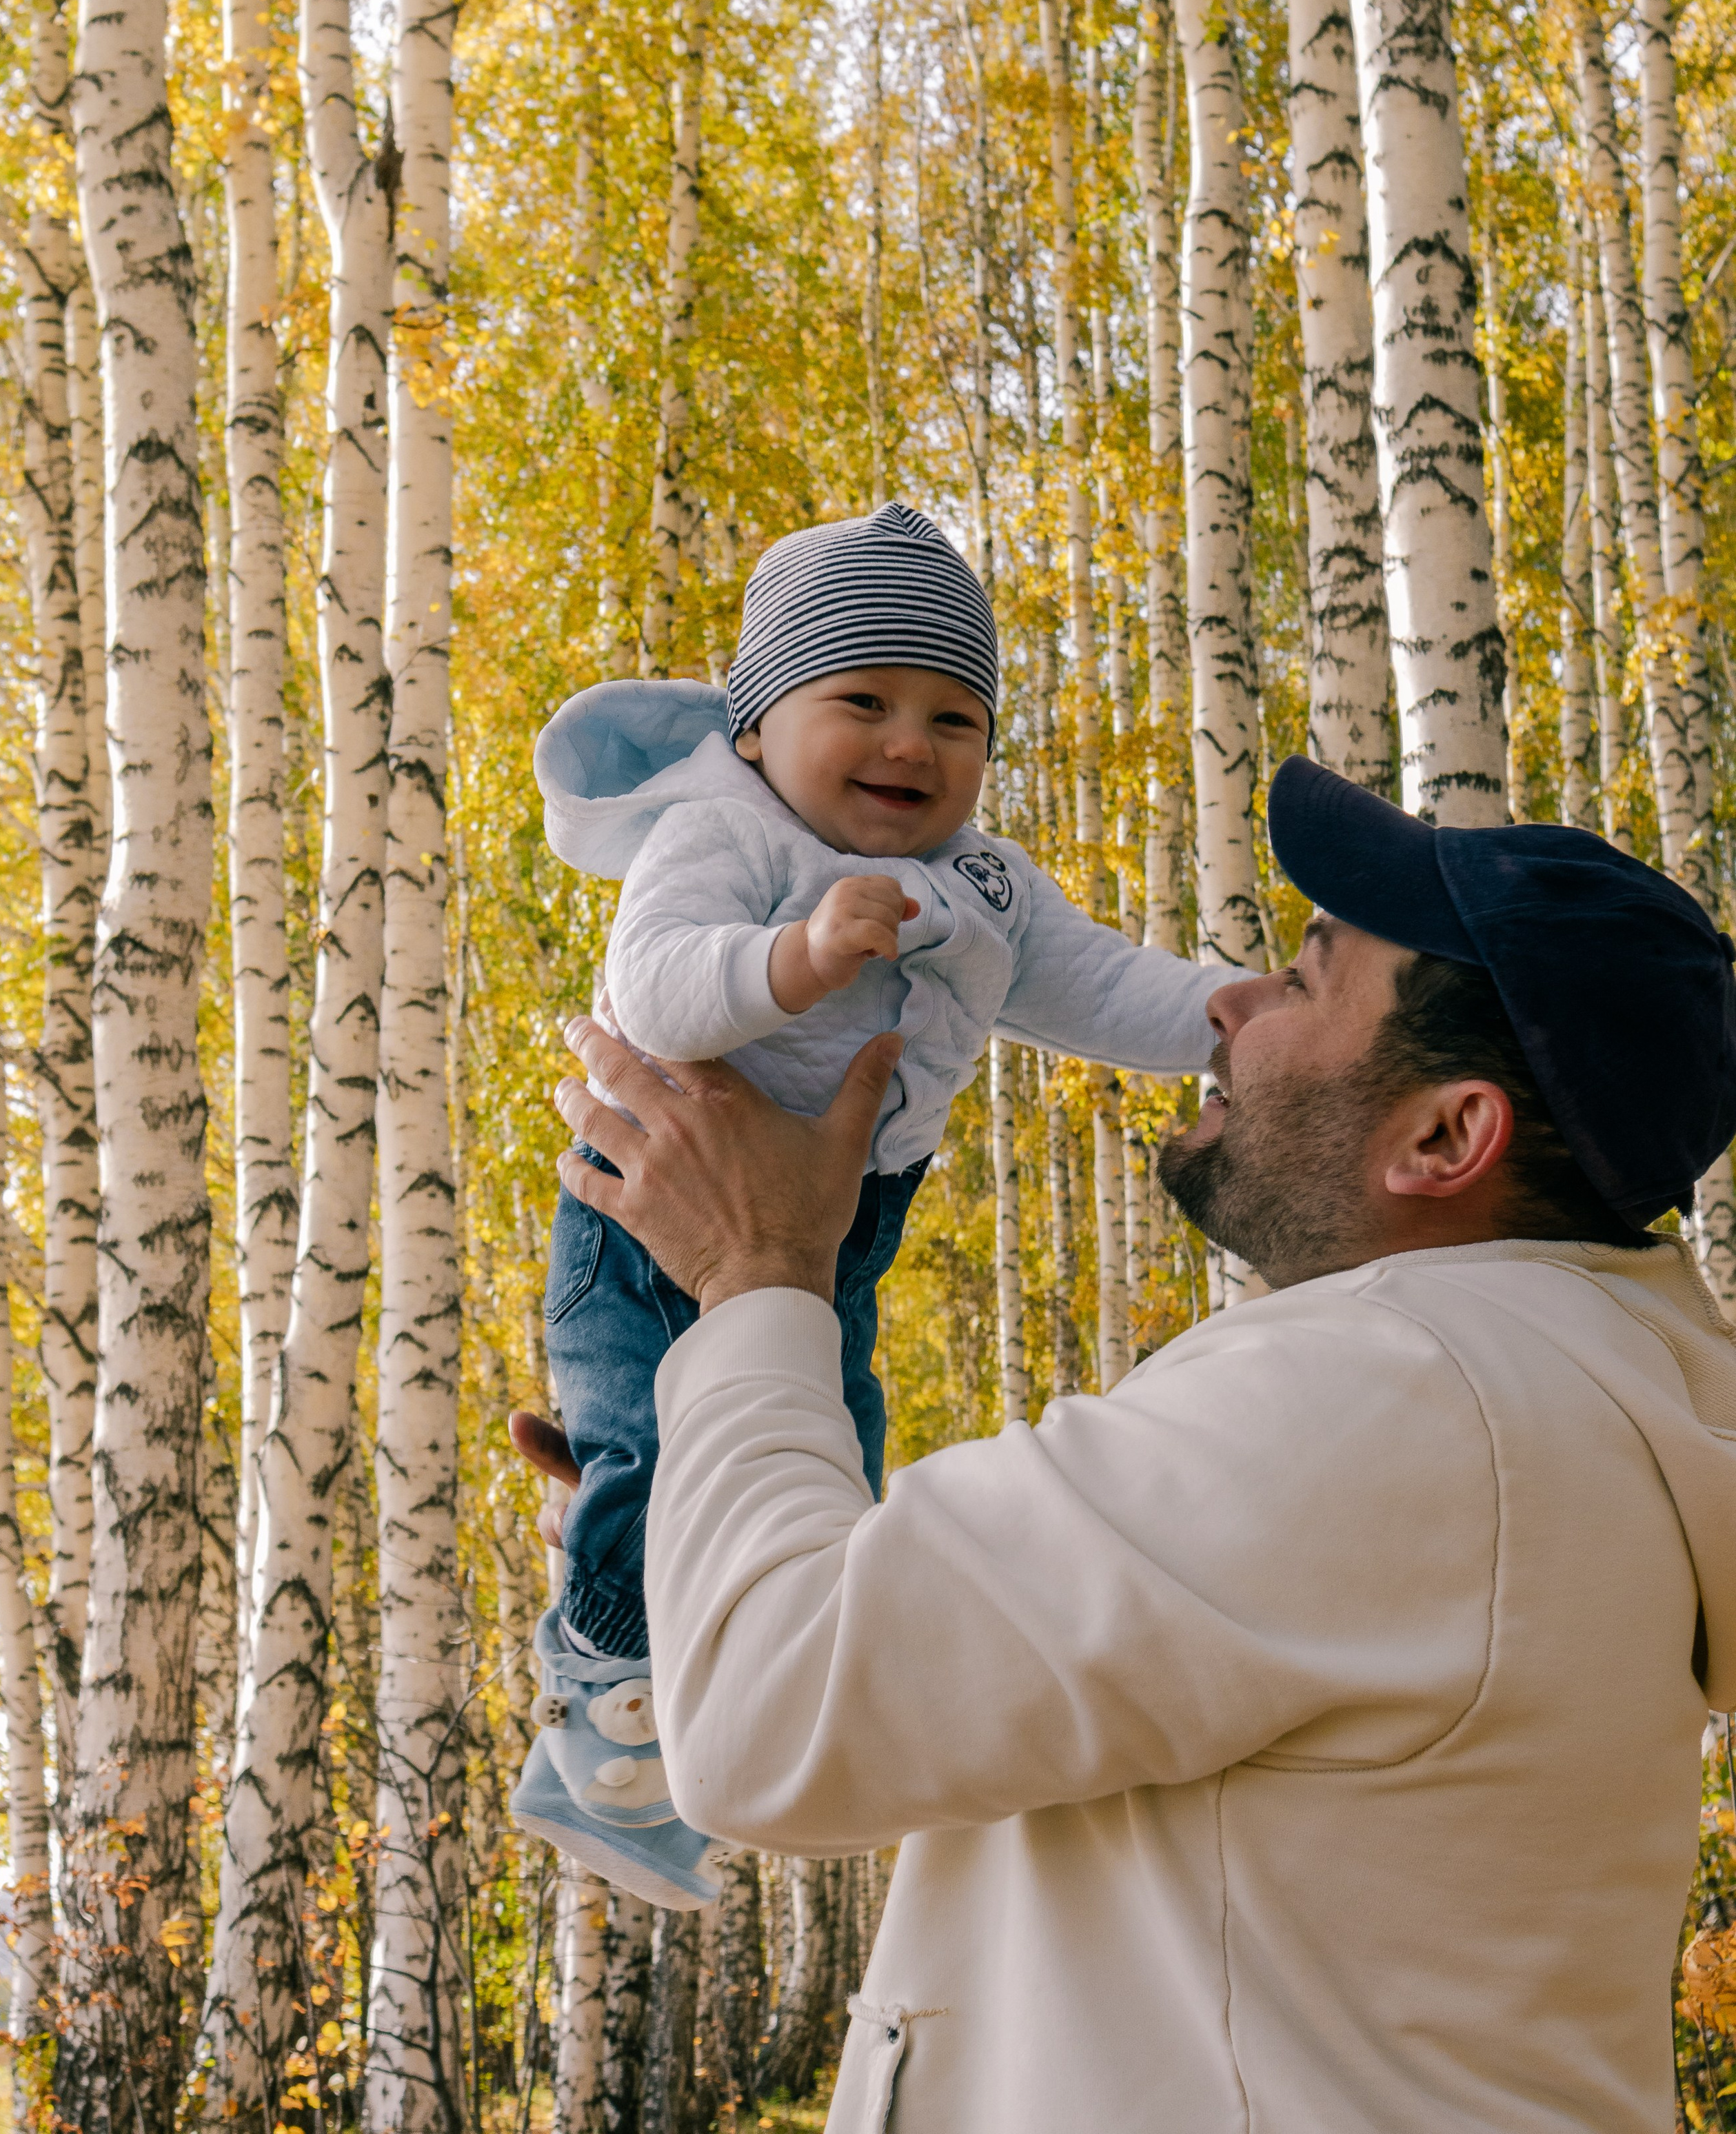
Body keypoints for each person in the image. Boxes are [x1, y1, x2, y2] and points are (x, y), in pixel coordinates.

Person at [514, 756, 1736, 2132]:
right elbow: (913, 1684)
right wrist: (703, 1526)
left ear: (1444, 1134)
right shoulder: (1550, 1400)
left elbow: (770, 1719)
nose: (1230, 1008)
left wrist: (759, 1279)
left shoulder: (1387, 1392)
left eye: (1303, 981)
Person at [512, 500, 1234, 1909]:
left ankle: (711, 1707)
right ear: (754, 729)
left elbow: (1098, 983)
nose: (911, 743)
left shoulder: (980, 883)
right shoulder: (722, 835)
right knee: (646, 1446)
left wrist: (1232, 1019)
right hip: (652, 1216)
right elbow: (655, 985)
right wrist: (793, 957)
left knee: (825, 1462)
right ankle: (608, 1714)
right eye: (863, 701)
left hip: (841, 1227)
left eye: (953, 719)